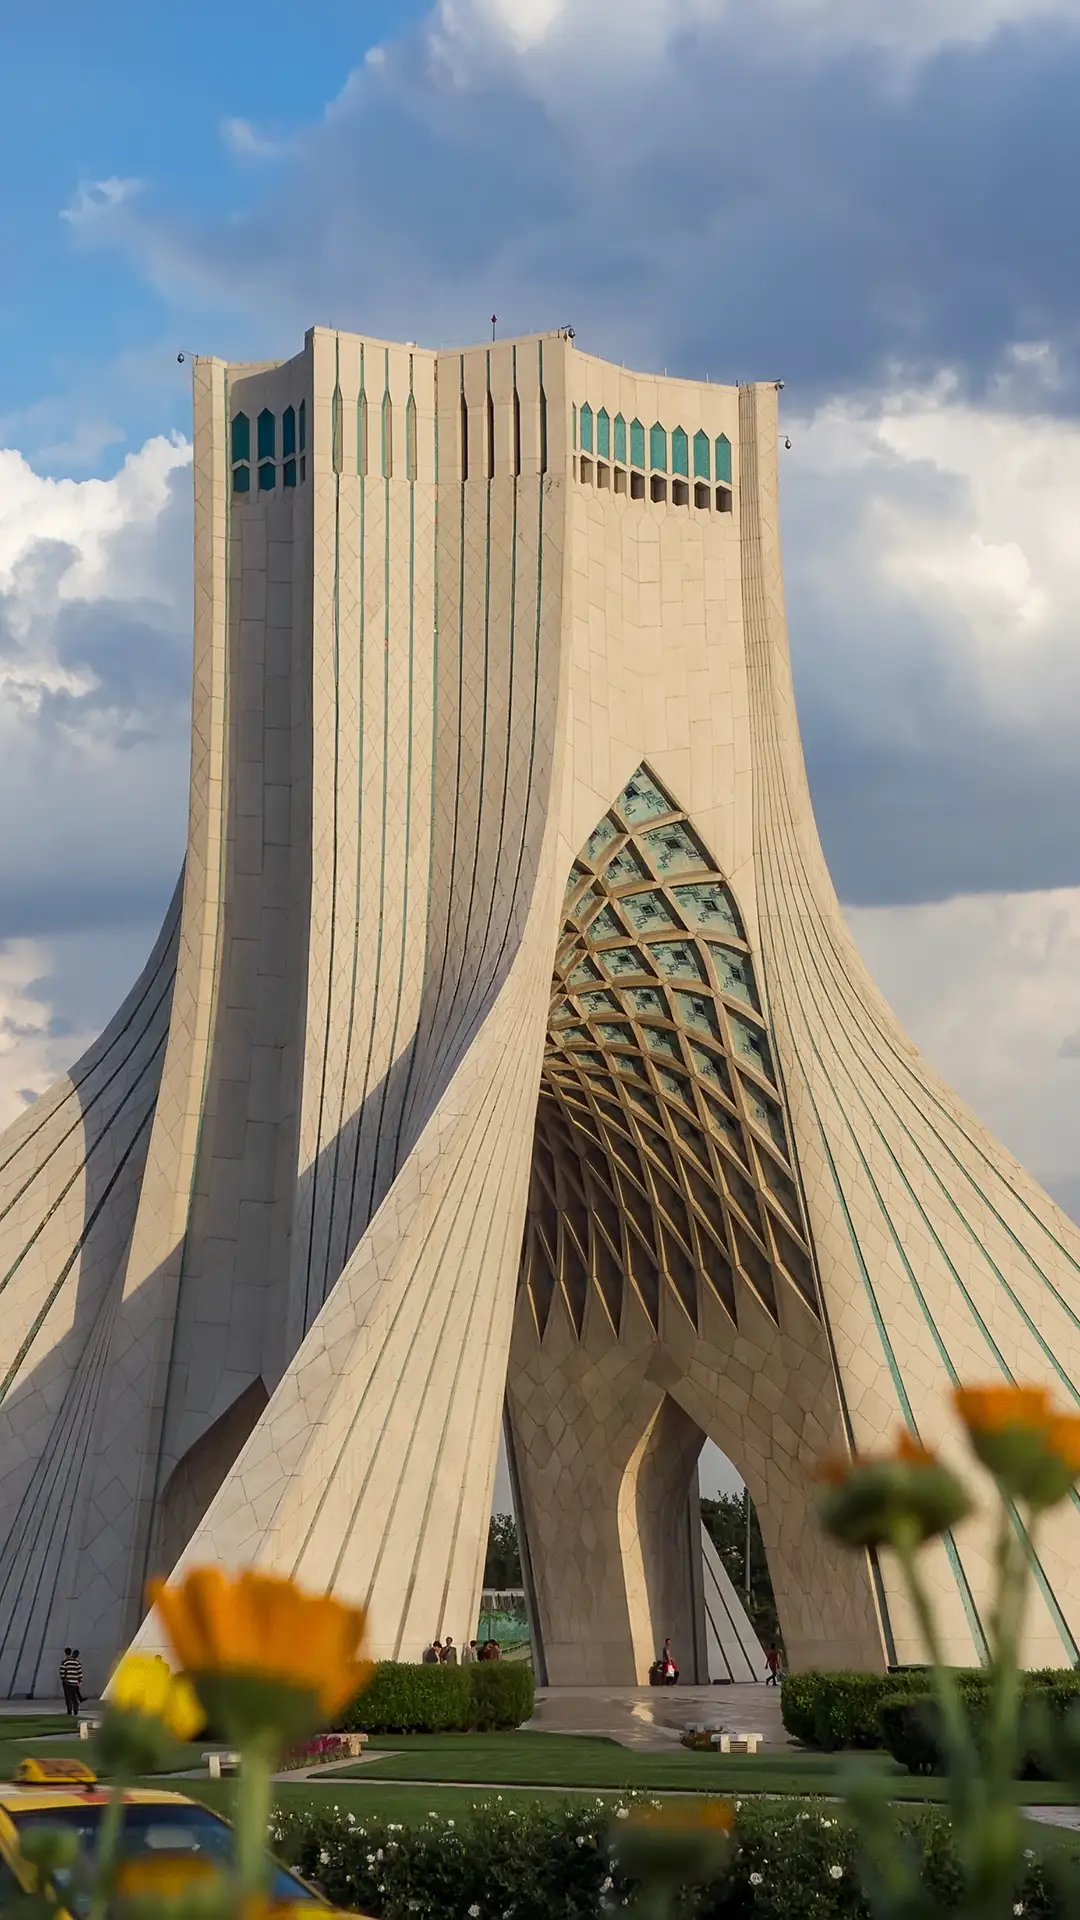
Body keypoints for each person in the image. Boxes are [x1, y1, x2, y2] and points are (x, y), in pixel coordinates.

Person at [60, 1647, 83, 1716]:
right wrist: (79, 1681)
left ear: (65, 1653)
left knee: (68, 1697)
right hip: (75, 1682)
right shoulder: (77, 1662)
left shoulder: (65, 1662)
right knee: (74, 1697)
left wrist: (63, 1679)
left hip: (67, 1682)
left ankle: (69, 1711)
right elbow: (80, 1672)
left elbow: (62, 1672)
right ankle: (76, 1710)